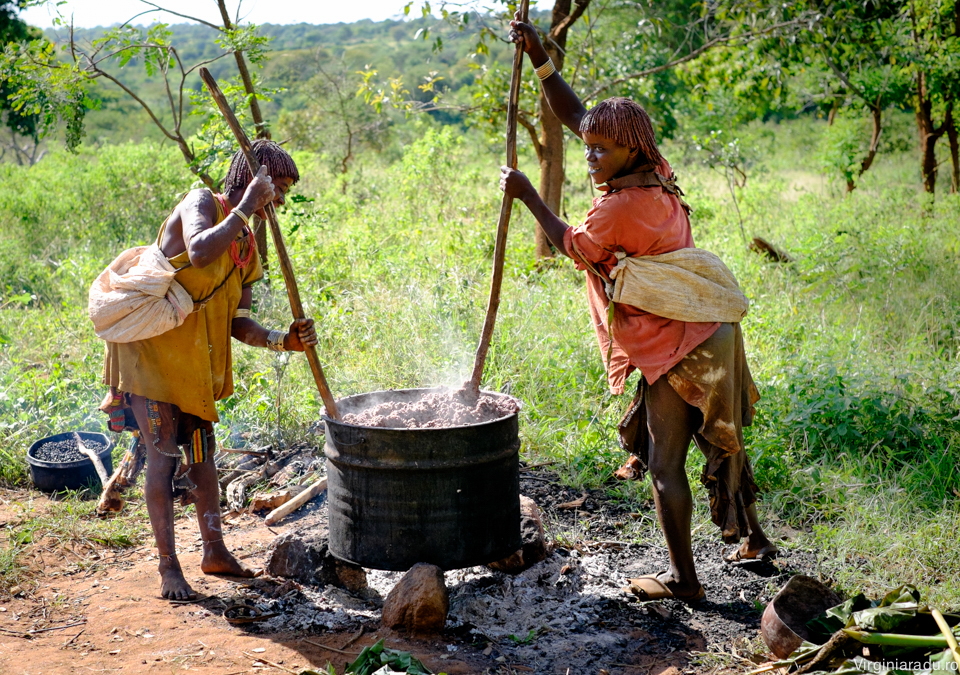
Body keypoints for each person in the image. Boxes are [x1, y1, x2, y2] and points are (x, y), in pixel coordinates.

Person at [503, 19, 777, 603]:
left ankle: (686, 583)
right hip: (712, 327)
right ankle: (754, 539)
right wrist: (541, 61)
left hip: (677, 345)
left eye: (602, 150)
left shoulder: (619, 209)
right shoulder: (657, 174)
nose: (591, 155)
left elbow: (571, 245)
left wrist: (529, 194)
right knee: (722, 437)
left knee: (663, 463)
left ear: (630, 148)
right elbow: (580, 119)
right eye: (589, 148)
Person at [99, 140, 319, 600]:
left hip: (196, 366)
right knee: (161, 457)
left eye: (283, 192)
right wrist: (244, 207)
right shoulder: (203, 203)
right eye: (275, 188)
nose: (277, 200)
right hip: (153, 357)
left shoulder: (246, 243)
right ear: (250, 179)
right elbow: (198, 252)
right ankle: (168, 569)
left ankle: (215, 552)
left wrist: (284, 341)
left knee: (203, 460)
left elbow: (239, 322)